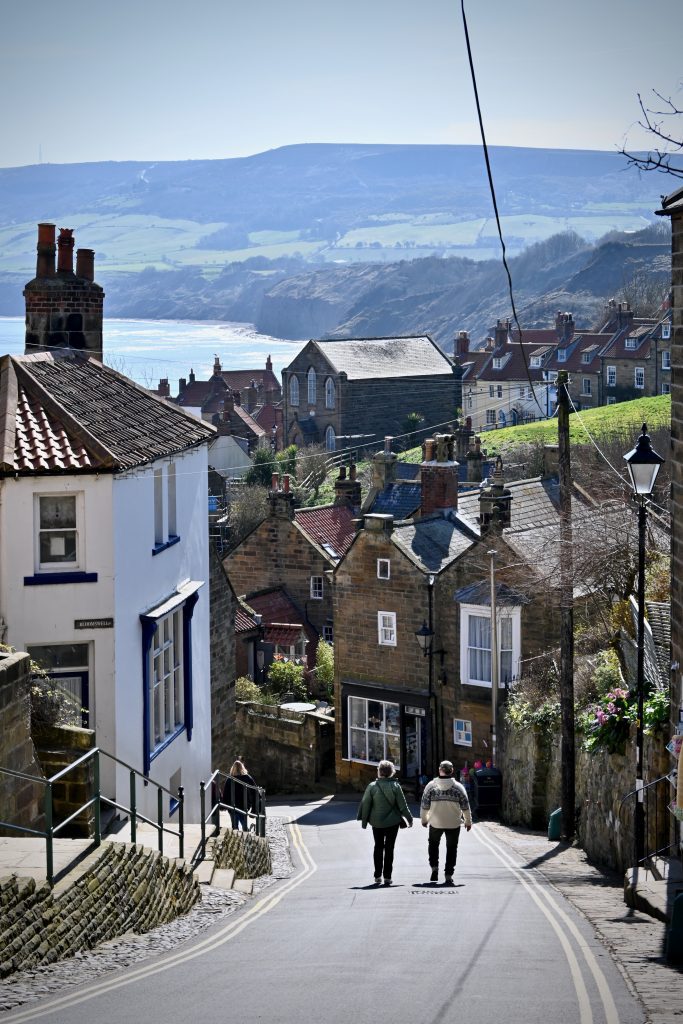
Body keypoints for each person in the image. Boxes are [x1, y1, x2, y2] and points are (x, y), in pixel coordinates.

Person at [357, 759, 413, 886]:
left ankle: (377, 876)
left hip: (376, 823)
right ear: (391, 773)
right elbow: (402, 806)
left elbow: (366, 805)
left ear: (380, 772)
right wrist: (409, 819)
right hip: (393, 822)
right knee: (389, 848)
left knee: (378, 847)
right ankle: (387, 877)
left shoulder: (372, 787)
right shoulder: (395, 786)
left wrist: (364, 822)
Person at [420, 760, 472, 885]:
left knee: (433, 845)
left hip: (435, 823)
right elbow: (465, 806)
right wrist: (468, 821)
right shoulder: (459, 787)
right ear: (452, 771)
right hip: (453, 823)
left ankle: (434, 868)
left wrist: (424, 820)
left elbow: (424, 806)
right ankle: (448, 874)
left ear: (439, 770)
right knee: (452, 848)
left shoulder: (430, 786)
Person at [224, 760, 257, 831]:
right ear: (242, 768)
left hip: (232, 805)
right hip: (243, 805)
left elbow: (225, 793)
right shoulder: (247, 778)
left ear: (233, 768)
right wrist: (253, 807)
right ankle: (247, 837)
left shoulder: (229, 779)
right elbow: (254, 791)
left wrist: (225, 805)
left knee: (235, 827)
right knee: (244, 825)